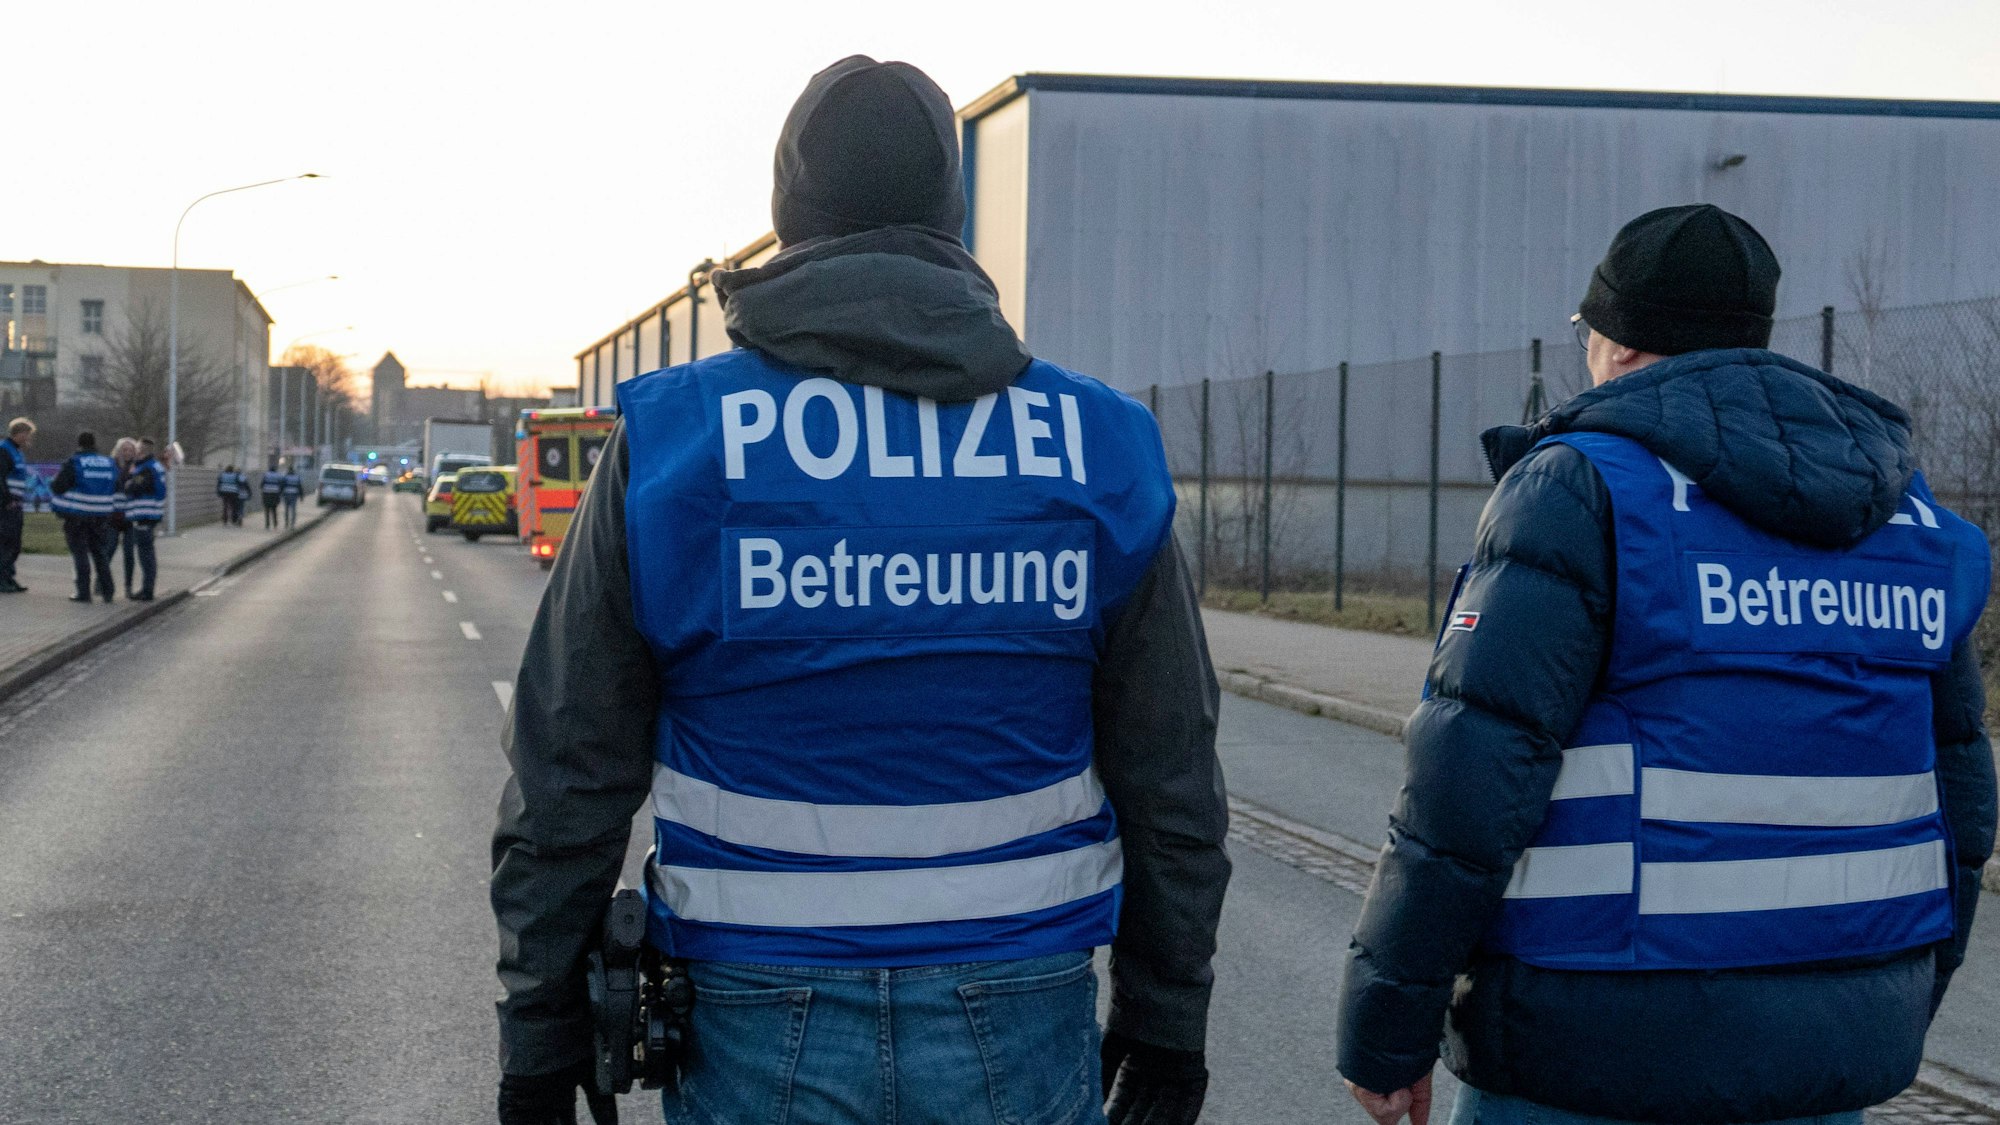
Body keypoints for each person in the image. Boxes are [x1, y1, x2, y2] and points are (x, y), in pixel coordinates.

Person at [491, 56, 1230, 1125]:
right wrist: (1167, 1021)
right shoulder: (1094, 443)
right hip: (1016, 1010)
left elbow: (571, 763)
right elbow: (1170, 771)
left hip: (753, 1013)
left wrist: (538, 1032)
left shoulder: (679, 441)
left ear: (787, 217)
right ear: (951, 217)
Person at [1337, 204, 1996, 1125]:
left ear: (1615, 343)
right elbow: (1962, 799)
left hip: (1592, 1051)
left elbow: (1466, 786)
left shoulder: (1584, 483)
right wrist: (1896, 999)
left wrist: (1385, 1026)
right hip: (1828, 1056)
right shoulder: (1901, 511)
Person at [49, 431, 119, 603]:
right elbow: (116, 485)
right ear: (94, 444)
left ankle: (84, 593)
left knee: (80, 555)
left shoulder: (74, 462)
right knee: (100, 554)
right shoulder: (109, 463)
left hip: (78, 516)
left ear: (79, 444)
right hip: (102, 516)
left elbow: (59, 486)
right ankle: (108, 592)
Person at [118, 438, 166, 601]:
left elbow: (136, 487)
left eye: (137, 450)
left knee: (145, 554)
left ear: (142, 452)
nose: (134, 454)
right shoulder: (154, 466)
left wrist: (129, 484)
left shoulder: (146, 469)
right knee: (147, 552)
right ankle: (147, 588)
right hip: (150, 513)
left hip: (145, 514)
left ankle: (147, 590)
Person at [0, 417, 34, 593]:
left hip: (16, 503)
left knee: (14, 544)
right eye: (27, 434)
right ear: (19, 433)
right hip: (7, 505)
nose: (29, 438)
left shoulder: (17, 451)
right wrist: (6, 500)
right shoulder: (4, 450)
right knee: (6, 542)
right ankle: (2, 579)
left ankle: (8, 576)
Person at [260, 463, 284, 529]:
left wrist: (263, 489)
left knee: (267, 510)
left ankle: (267, 524)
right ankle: (275, 523)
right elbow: (281, 485)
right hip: (275, 494)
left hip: (266, 494)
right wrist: (280, 492)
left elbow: (262, 484)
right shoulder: (278, 475)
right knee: (274, 509)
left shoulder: (266, 475)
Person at [281, 462, 303, 528]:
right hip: (294, 495)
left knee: (286, 510)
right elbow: (300, 487)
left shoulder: (285, 477)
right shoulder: (297, 477)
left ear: (288, 470)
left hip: (286, 495)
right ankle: (292, 524)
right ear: (293, 471)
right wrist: (301, 496)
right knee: (293, 510)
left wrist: (281, 494)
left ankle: (286, 523)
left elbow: (282, 486)